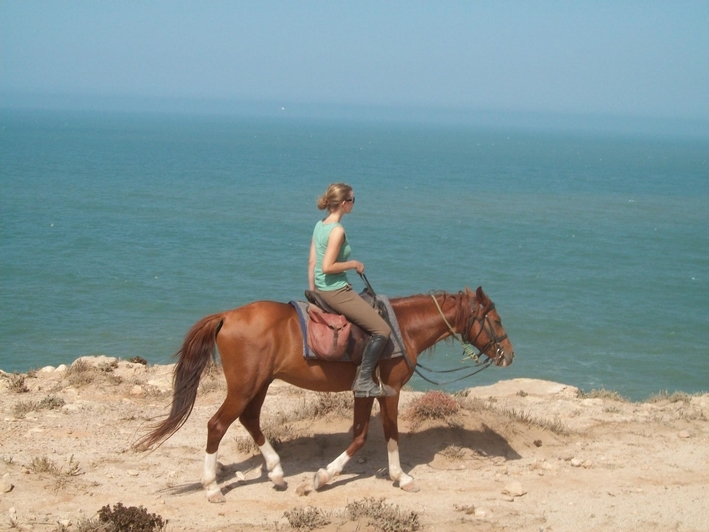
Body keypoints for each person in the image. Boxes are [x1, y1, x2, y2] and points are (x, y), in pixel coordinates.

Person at [308, 183, 396, 398]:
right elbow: (327, 266)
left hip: (322, 289)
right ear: (345, 204)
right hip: (336, 291)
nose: (354, 204)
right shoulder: (337, 230)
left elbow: (312, 262)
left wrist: (314, 294)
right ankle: (364, 380)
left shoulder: (320, 225)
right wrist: (353, 264)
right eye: (353, 200)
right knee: (382, 330)